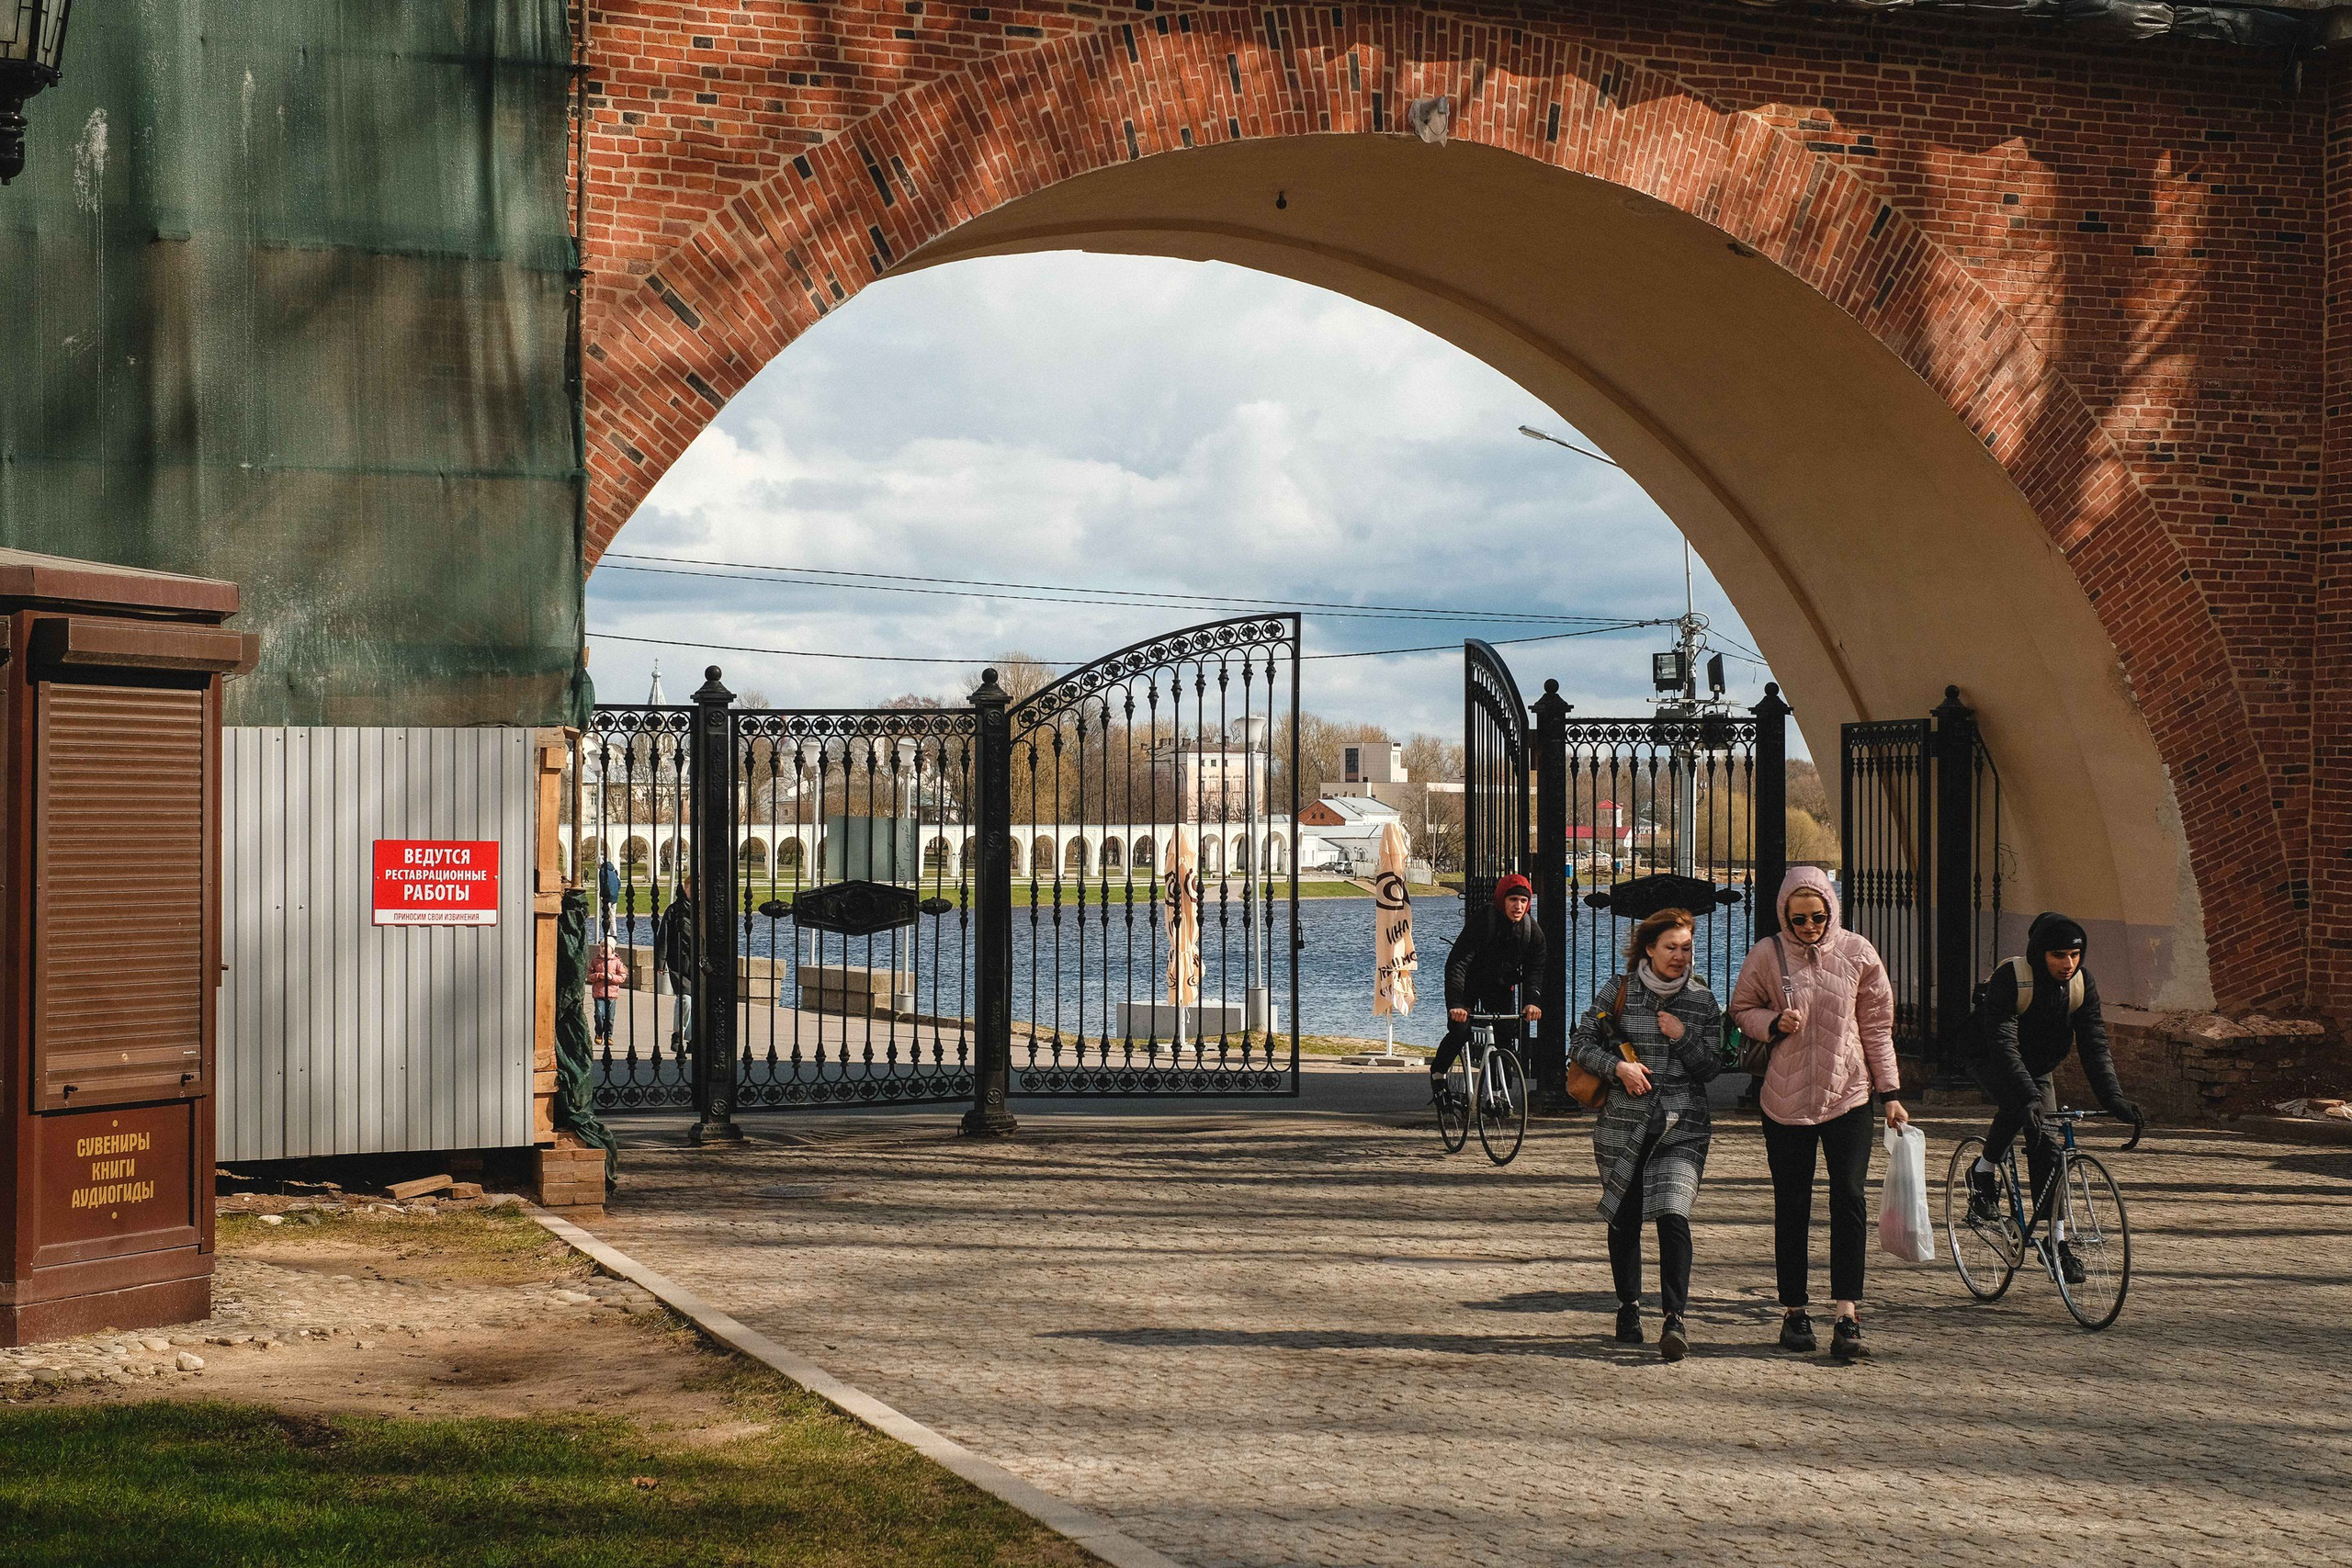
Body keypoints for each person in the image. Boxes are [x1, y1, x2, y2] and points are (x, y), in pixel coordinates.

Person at [1730, 866, 1906, 1363]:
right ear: (1785, 914)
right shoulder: (1767, 954)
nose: (1809, 925)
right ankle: (1794, 1311)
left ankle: (1847, 1313)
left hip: (1847, 1093)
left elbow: (1877, 1026)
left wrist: (1890, 1091)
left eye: (1818, 915)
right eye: (1799, 917)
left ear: (1832, 910)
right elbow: (1741, 1008)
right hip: (1784, 1101)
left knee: (1849, 1197)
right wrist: (1772, 1022)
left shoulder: (1857, 953)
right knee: (1793, 1204)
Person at [1568, 907, 1723, 1362]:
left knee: (1674, 1213)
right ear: (1649, 949)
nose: (1680, 956)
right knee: (1625, 1217)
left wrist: (1682, 1036)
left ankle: (1675, 1317)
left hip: (1682, 1128)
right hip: (1624, 1126)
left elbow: (1712, 1068)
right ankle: (1628, 1307)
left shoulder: (1701, 1000)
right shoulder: (1617, 991)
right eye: (1671, 947)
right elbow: (1580, 1043)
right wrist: (1618, 1067)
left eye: (1687, 948)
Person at [1963, 911, 2143, 1283]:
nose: (2068, 963)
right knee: (2018, 1105)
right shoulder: (2012, 979)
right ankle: (1982, 1170)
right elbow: (2003, 1043)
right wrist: (2028, 1095)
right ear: (2039, 954)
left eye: (2075, 956)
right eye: (2058, 955)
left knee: (2046, 1145)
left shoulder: (2080, 985)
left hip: (2039, 1064)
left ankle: (2056, 1245)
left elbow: (2094, 1044)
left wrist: (2114, 1099)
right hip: (1990, 1056)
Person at [1430, 873, 1544, 1100]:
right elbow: (1458, 963)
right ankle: (1438, 1073)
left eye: (1523, 901)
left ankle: (1499, 1091)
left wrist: (1532, 1001)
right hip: (1469, 982)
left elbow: (1536, 970)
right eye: (1513, 900)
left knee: (1505, 1035)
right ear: (1502, 899)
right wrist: (1456, 1004)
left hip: (1500, 985)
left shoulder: (1532, 932)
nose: (1518, 906)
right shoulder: (1484, 920)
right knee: (1460, 1030)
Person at [657, 874, 695, 1054]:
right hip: (678, 963)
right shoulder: (674, 910)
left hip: (699, 963)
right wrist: (660, 961)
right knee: (686, 999)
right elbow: (663, 937)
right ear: (686, 888)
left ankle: (692, 1039)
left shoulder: (705, 909)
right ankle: (677, 1034)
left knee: (697, 1002)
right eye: (692, 888)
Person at [589, 941, 628, 1052]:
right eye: (602, 946)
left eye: (607, 946)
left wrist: (611, 977)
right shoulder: (595, 961)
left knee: (610, 1017)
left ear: (612, 949)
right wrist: (598, 976)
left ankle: (608, 1036)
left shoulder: (617, 961)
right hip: (599, 992)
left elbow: (622, 977)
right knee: (599, 1014)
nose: (604, 948)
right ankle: (599, 1033)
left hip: (612, 993)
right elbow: (589, 975)